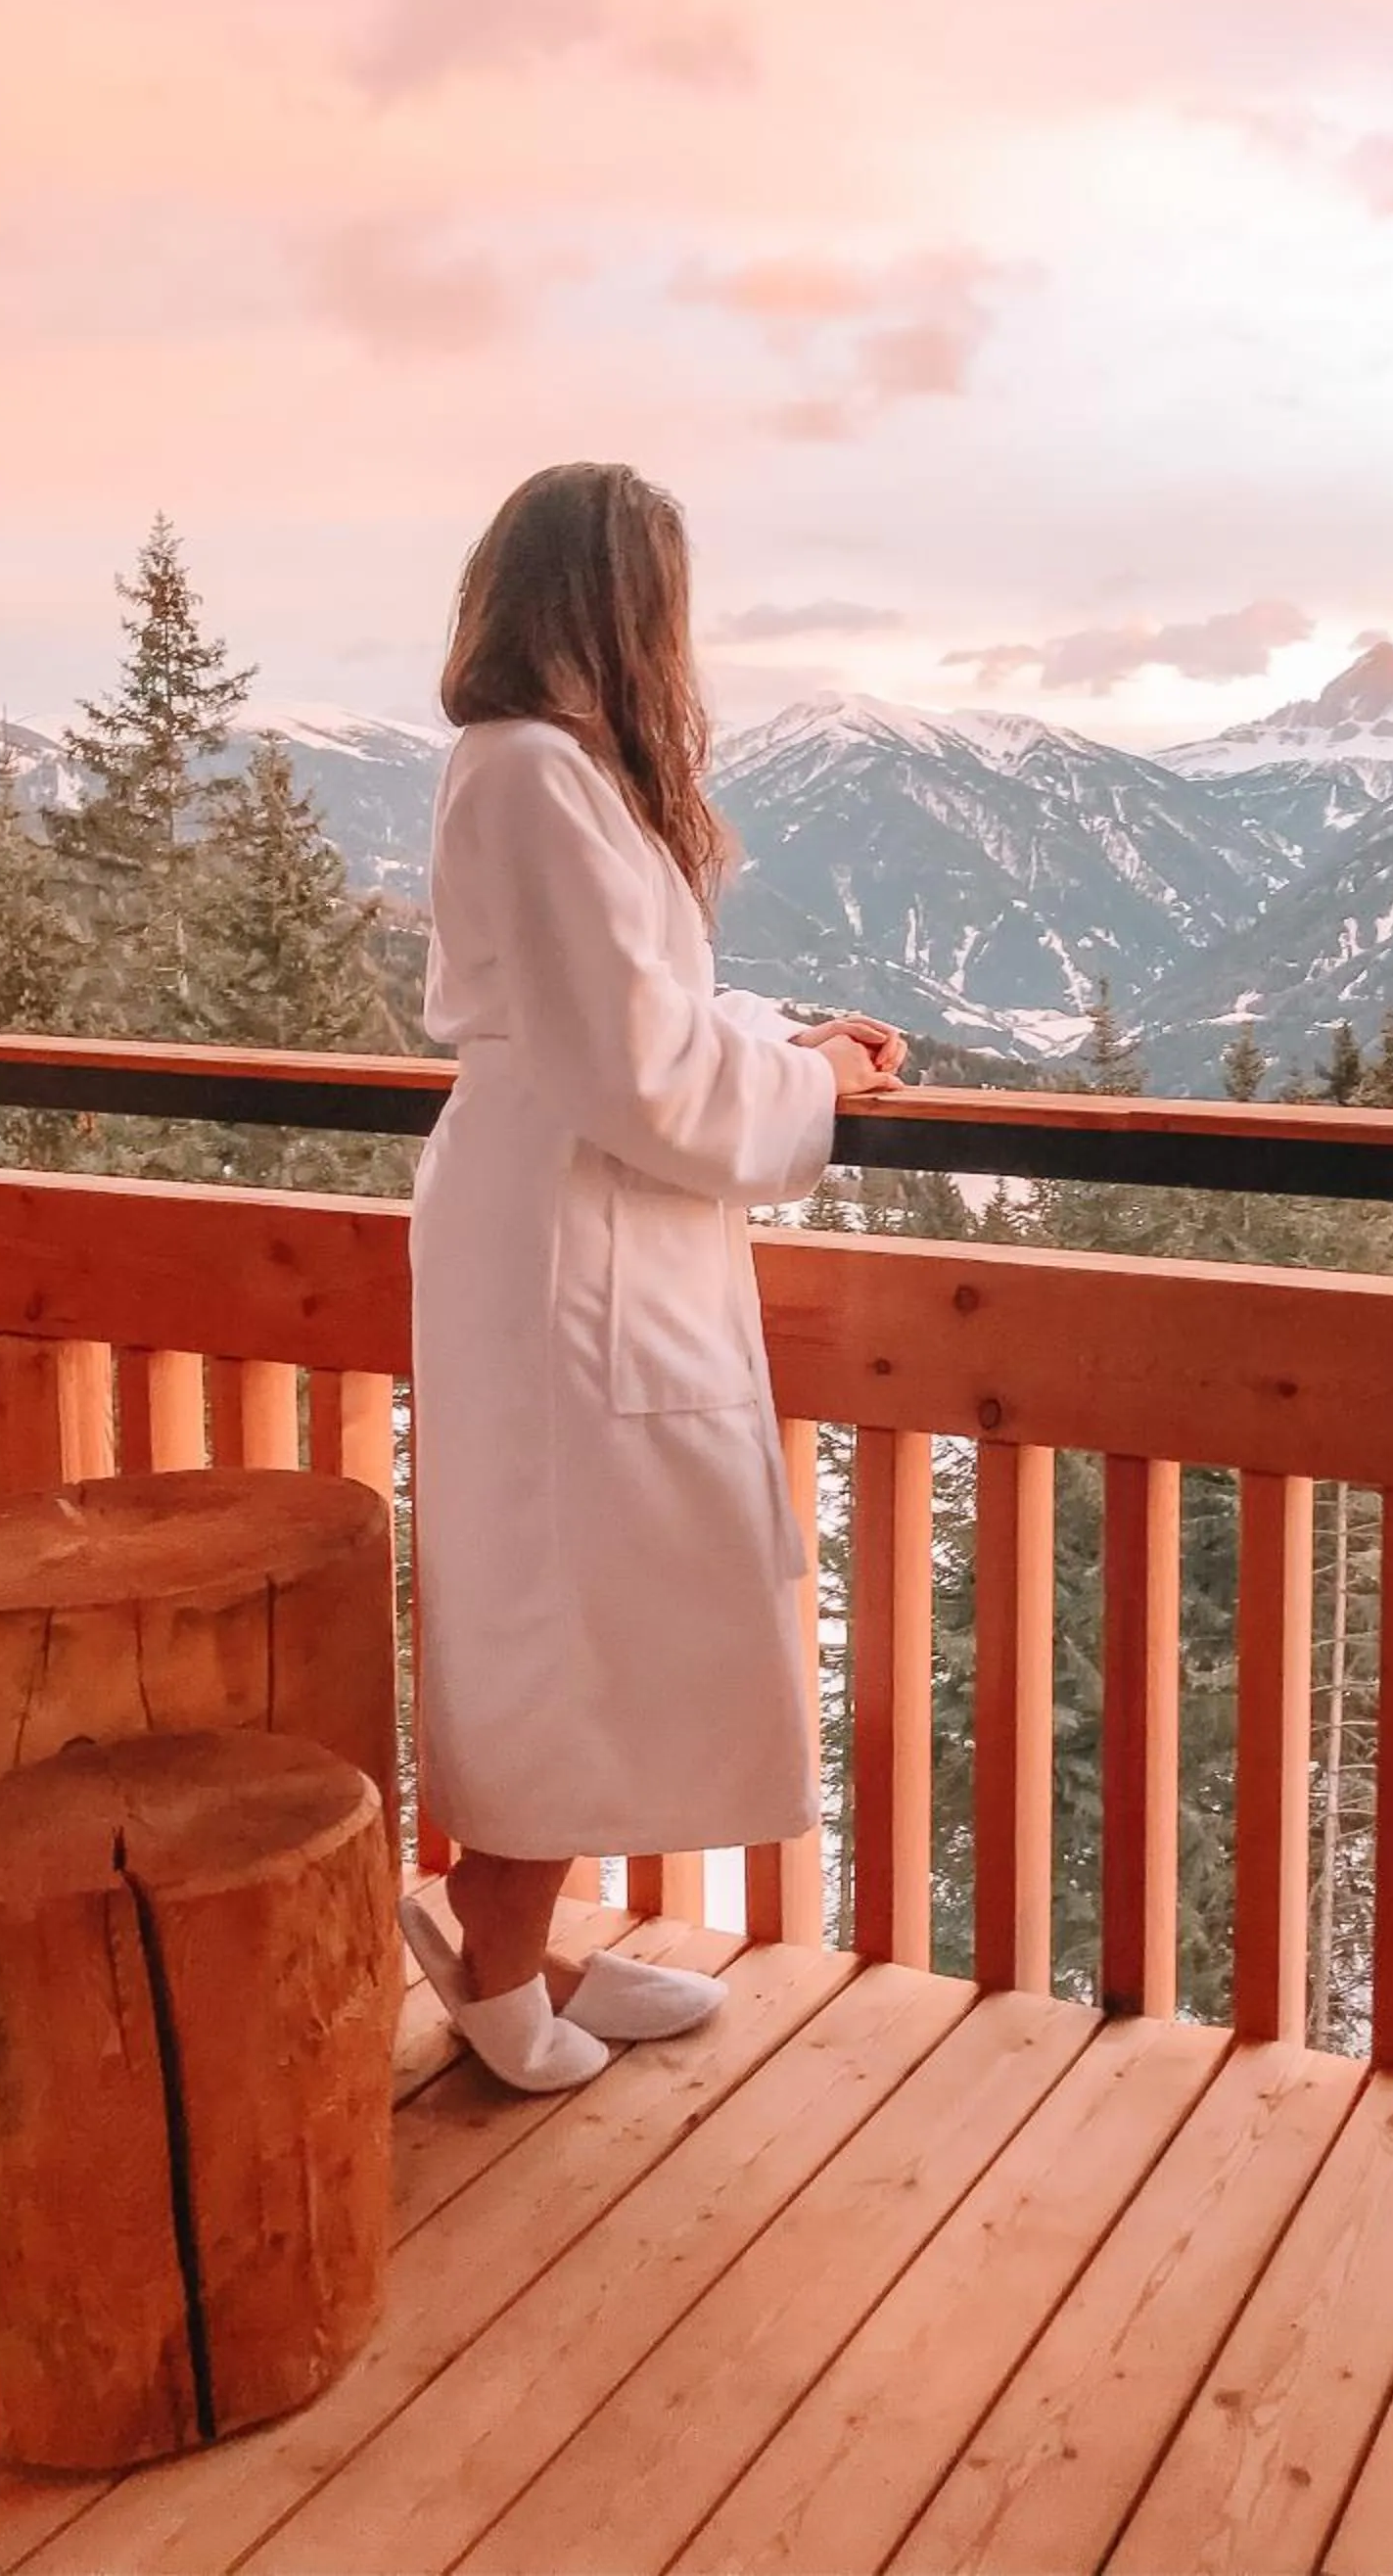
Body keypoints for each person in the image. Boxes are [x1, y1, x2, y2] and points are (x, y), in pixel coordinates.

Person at [400, 461, 905, 2092]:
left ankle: (530, 1940)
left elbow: (631, 1020)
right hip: (574, 1242)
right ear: (617, 605)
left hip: (572, 1221)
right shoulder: (536, 774)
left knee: (603, 1588)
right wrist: (815, 1090)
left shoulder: (546, 772)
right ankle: (494, 1959)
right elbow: (634, 1073)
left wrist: (791, 1039)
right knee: (574, 1594)